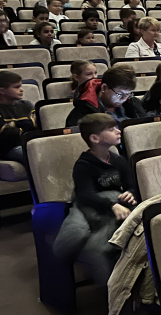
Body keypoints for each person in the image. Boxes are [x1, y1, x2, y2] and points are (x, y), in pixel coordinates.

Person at [55, 114, 138, 284]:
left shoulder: (118, 160)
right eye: (111, 129)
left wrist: (130, 193)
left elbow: (132, 185)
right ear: (95, 138)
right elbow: (85, 195)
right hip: (90, 206)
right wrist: (112, 205)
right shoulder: (83, 165)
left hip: (114, 204)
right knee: (80, 237)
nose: (118, 131)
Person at [0, 70, 36, 164]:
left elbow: (37, 125)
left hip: (29, 143)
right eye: (16, 87)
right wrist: (28, 123)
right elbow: (0, 129)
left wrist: (12, 125)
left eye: (21, 86)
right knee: (35, 157)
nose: (21, 90)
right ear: (2, 91)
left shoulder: (27, 105)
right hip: (8, 148)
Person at [67, 64, 145, 127]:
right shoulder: (82, 112)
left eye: (128, 94)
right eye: (119, 94)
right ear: (104, 87)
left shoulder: (132, 103)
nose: (124, 99)